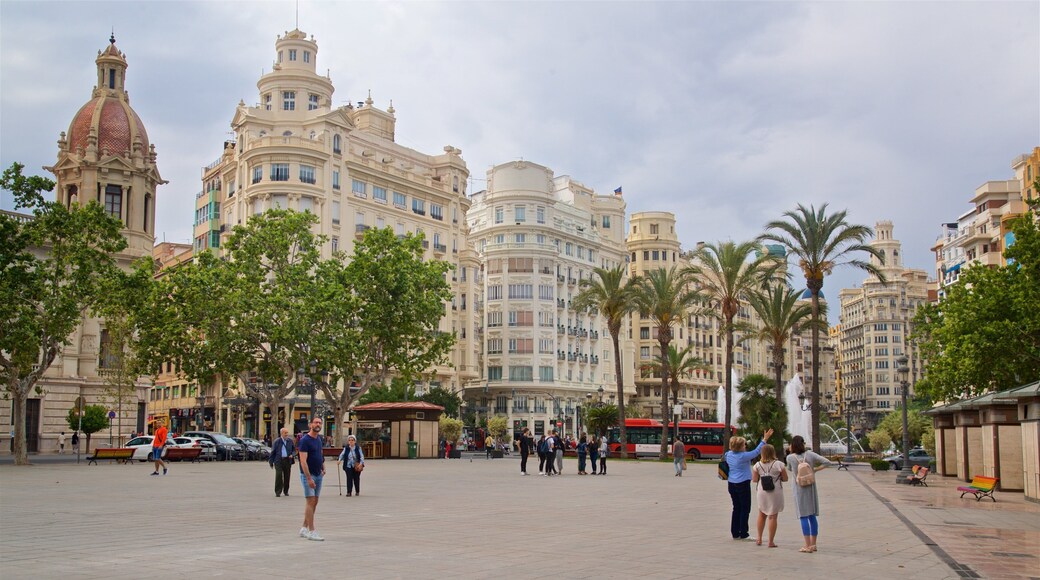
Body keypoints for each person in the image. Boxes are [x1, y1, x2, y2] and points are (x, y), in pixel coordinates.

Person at [785, 435, 833, 553]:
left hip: (799, 488)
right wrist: (815, 469)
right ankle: (813, 544)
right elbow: (827, 462)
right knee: (812, 515)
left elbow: (790, 469)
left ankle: (806, 545)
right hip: (811, 487)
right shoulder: (810, 454)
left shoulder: (790, 457)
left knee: (803, 516)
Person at [724, 428, 774, 540]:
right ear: (740, 447)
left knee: (736, 508)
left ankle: (735, 532)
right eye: (744, 445)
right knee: (745, 508)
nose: (745, 447)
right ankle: (744, 533)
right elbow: (757, 451)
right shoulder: (743, 456)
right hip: (742, 483)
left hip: (731, 483)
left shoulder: (728, 454)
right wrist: (765, 439)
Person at [297, 417, 327, 541]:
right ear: (310, 425)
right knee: (310, 501)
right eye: (316, 422)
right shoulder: (305, 440)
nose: (318, 424)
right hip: (308, 475)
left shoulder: (319, 439)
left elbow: (319, 454)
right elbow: (303, 461)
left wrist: (323, 466)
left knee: (315, 501)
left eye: (320, 423)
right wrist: (309, 478)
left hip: (318, 474)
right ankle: (311, 530)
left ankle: (304, 528)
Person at [752, 443, 787, 547]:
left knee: (761, 514)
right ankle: (770, 541)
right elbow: (785, 479)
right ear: (773, 452)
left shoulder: (757, 465)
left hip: (762, 490)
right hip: (775, 491)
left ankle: (759, 538)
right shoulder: (779, 464)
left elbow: (754, 480)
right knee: (772, 516)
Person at [269, 427, 296, 497]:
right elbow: (273, 452)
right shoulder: (277, 441)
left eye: (287, 433)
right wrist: (271, 462)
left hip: (287, 460)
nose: (287, 434)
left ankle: (286, 491)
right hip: (278, 460)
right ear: (281, 433)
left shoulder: (290, 441)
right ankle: (278, 491)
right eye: (285, 433)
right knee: (279, 475)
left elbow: (294, 450)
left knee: (287, 476)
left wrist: (292, 455)